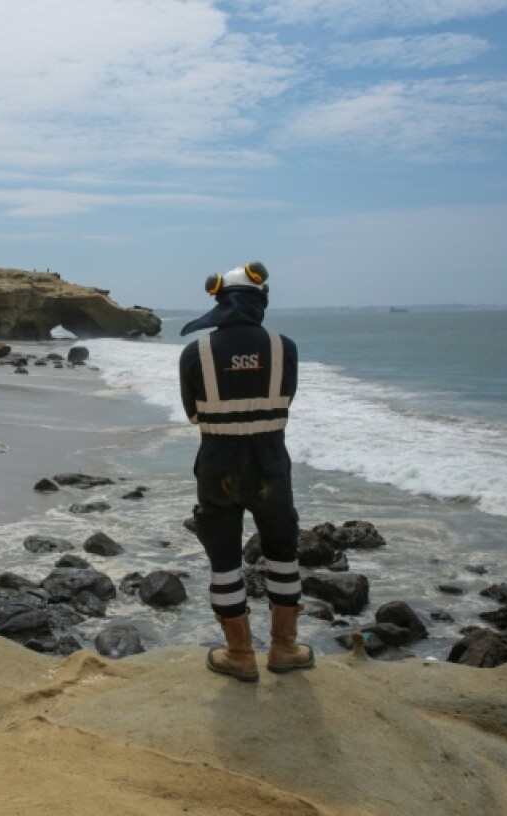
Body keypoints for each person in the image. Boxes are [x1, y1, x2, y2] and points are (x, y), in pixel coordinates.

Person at [178, 261, 313, 682]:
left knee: (224, 561)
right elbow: (285, 398)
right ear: (260, 302)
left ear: (219, 302)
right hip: (272, 467)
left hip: (217, 470)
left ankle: (239, 654)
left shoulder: (194, 353)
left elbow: (193, 412)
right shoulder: (284, 348)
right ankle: (286, 648)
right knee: (282, 555)